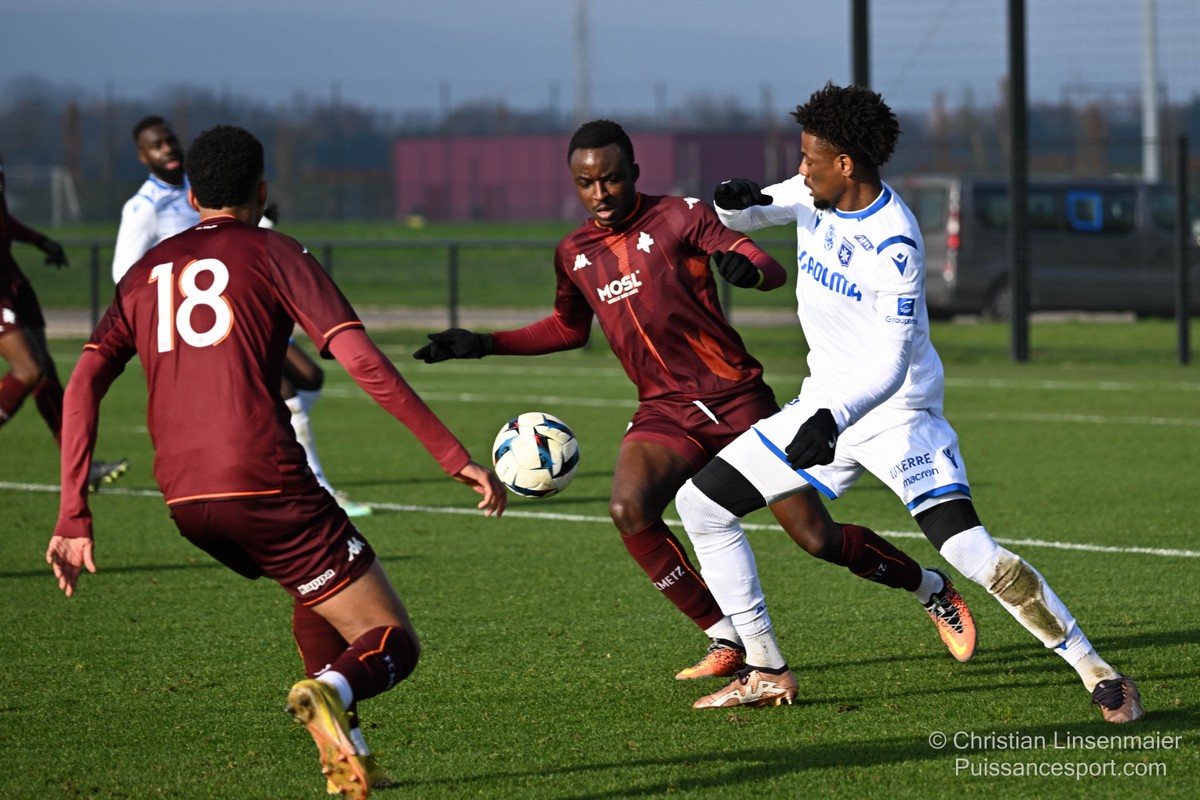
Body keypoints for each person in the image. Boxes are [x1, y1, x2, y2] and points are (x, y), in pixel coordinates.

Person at [413, 118, 976, 685]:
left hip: (738, 401)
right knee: (629, 509)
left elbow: (767, 267)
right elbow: (568, 328)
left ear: (634, 172)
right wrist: (483, 343)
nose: (600, 193)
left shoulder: (681, 215)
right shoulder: (574, 252)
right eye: (586, 183)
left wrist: (749, 272)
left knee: (817, 538)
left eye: (611, 179)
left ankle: (929, 587)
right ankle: (726, 637)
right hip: (664, 411)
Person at [46, 125, 507, 798]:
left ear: (193, 196)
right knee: (391, 639)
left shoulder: (145, 272)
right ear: (262, 192)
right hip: (265, 481)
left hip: (183, 499)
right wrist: (451, 454)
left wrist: (73, 512)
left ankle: (348, 757)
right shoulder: (276, 251)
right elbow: (362, 362)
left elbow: (83, 382)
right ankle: (330, 691)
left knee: (312, 592)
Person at [674, 82, 1143, 722]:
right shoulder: (813, 193)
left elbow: (890, 364)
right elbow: (751, 213)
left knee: (970, 550)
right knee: (702, 506)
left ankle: (1098, 671)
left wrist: (835, 416)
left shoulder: (895, 243)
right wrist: (734, 202)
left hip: (896, 416)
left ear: (846, 164)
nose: (801, 168)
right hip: (823, 407)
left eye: (810, 158)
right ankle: (767, 669)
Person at [114, 117, 370, 516]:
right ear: (142, 156)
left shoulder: (200, 186)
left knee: (310, 379)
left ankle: (252, 437)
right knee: (284, 390)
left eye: (170, 140)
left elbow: (228, 234)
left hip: (241, 298)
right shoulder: (143, 208)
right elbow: (125, 274)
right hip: (203, 316)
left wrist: (263, 223)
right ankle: (319, 488)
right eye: (156, 145)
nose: (167, 148)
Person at [0, 153, 127, 491]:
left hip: (12, 280)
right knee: (28, 369)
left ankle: (82, 469)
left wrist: (39, 240)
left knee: (45, 372)